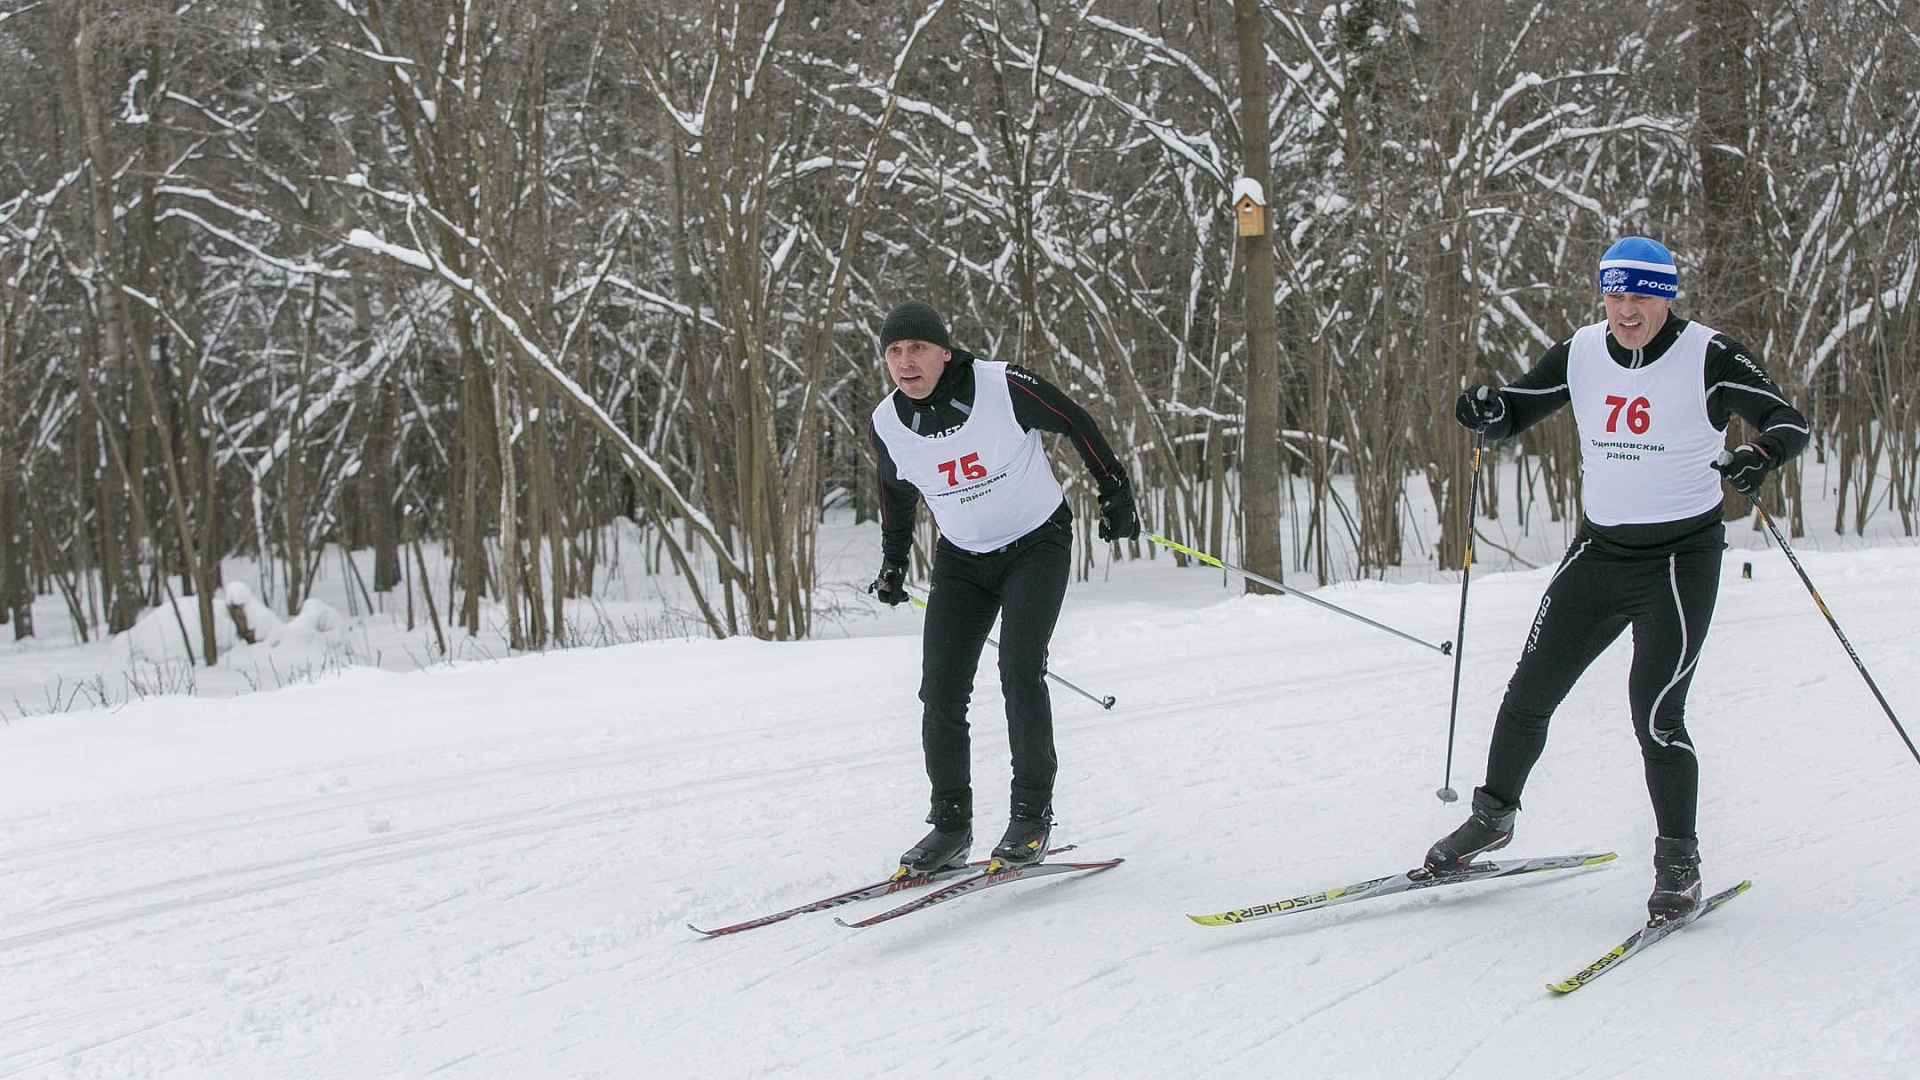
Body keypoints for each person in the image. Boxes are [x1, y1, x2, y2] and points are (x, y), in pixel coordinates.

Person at [1426, 236, 1810, 920]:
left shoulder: (1711, 355)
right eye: (1616, 294)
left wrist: (1758, 454)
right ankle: (1494, 818)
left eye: (1641, 296)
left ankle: (1679, 863)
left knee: (1657, 717)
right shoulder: (1581, 350)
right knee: (1528, 692)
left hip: (1679, 562)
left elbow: (1789, 421)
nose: (1626, 310)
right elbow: (1517, 407)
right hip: (1599, 554)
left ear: (1666, 297)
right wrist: (1486, 409)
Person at [866, 300, 1139, 875]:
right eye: (894, 351)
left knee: (1019, 669)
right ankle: (950, 827)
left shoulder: (1001, 385)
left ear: (944, 351)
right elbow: (897, 497)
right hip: (963, 561)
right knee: (939, 691)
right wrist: (893, 563)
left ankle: (1030, 817)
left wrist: (1114, 492)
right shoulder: (888, 422)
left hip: (1036, 544)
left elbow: (1076, 421)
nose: (905, 362)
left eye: (916, 348)